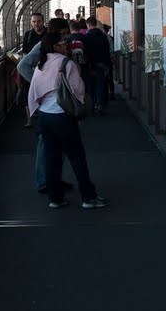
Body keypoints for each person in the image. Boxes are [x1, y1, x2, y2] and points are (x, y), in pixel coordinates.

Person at [27, 30, 107, 209]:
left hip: (45, 117)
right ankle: (88, 197)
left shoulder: (41, 64)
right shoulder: (66, 63)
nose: (66, 45)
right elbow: (78, 90)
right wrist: (81, 111)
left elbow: (34, 90)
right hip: (62, 116)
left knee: (51, 158)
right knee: (77, 157)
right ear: (56, 46)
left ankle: (55, 198)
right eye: (63, 42)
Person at [18, 18, 74, 194]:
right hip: (51, 104)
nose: (65, 38)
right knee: (46, 145)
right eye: (62, 34)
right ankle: (44, 180)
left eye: (67, 34)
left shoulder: (64, 45)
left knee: (58, 145)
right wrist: (40, 85)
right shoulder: (42, 46)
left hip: (62, 103)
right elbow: (23, 65)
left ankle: (53, 179)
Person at [19, 12, 46, 127]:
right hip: (30, 69)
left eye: (39, 21)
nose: (36, 24)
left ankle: (43, 116)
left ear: (43, 21)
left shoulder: (48, 35)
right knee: (27, 93)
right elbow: (24, 52)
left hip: (44, 69)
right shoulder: (28, 35)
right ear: (31, 23)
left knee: (43, 92)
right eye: (34, 21)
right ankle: (29, 120)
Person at [81, 17, 111, 114]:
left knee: (91, 86)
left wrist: (89, 65)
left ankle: (92, 105)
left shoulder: (86, 37)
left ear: (88, 25)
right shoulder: (103, 36)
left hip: (91, 65)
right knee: (100, 85)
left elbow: (86, 52)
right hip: (102, 64)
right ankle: (99, 105)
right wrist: (108, 65)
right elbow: (107, 51)